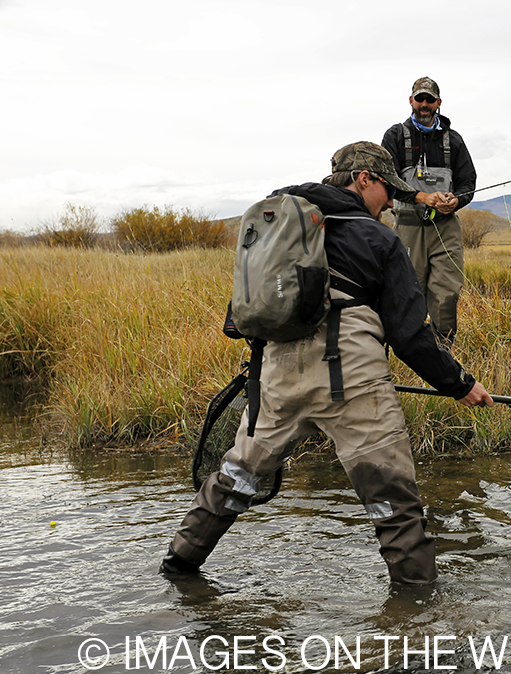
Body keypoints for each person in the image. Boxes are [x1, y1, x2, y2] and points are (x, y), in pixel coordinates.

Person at [160, 141, 493, 586]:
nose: (392, 202)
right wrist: (459, 384)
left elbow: (240, 319)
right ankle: (417, 618)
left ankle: (177, 567)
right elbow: (411, 337)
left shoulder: (275, 229)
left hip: (276, 378)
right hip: (351, 382)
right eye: (387, 191)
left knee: (236, 474)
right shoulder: (379, 238)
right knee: (393, 501)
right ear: (363, 179)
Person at [382, 76, 477, 346]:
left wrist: (456, 201)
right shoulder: (395, 136)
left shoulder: (454, 140)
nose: (424, 104)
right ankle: (409, 351)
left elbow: (468, 182)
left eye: (430, 99)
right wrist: (423, 197)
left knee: (446, 293)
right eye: (420, 98)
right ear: (411, 100)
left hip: (445, 227)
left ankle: (443, 350)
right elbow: (387, 180)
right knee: (408, 293)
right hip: (408, 227)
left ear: (439, 103)